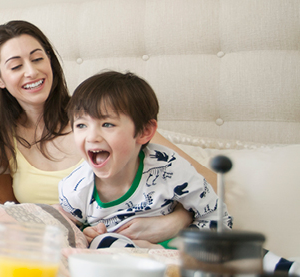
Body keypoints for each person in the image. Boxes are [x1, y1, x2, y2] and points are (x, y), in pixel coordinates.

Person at [0, 20, 203, 245]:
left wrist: (175, 221)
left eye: (37, 59)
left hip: (125, 247)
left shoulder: (99, 118)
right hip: (47, 247)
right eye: (16, 66)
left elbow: (209, 183)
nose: (32, 72)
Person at [57, 71, 231, 249]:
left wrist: (173, 247)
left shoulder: (169, 168)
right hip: (119, 257)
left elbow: (218, 217)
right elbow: (68, 232)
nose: (91, 136)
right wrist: (87, 234)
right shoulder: (75, 188)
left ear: (144, 132)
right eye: (81, 125)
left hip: (178, 253)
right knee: (103, 243)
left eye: (107, 124)